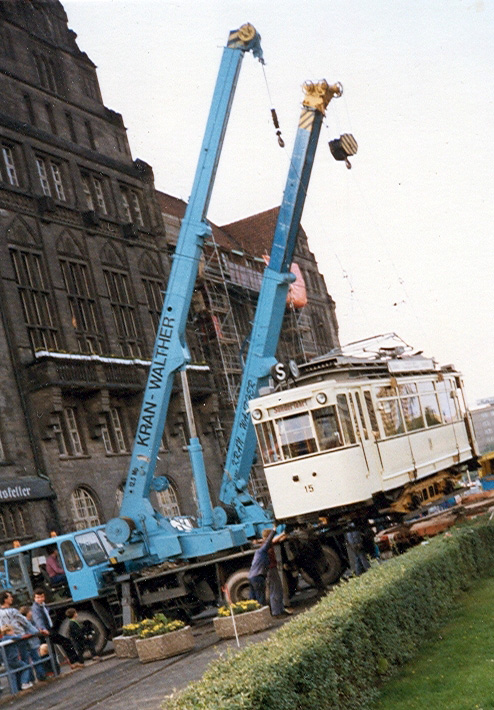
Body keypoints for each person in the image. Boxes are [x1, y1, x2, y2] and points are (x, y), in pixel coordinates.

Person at [30, 589, 82, 670]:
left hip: (49, 629)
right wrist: (43, 628)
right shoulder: (36, 608)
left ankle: (68, 664)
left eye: (42, 597)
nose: (40, 599)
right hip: (45, 631)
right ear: (34, 598)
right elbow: (38, 619)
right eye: (38, 597)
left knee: (55, 647)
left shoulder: (43, 605)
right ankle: (72, 663)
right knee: (61, 644)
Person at [0, 592, 33, 681]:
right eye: (10, 597)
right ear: (5, 599)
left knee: (13, 664)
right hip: (19, 637)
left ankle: (18, 685)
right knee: (24, 659)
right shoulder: (13, 611)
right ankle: (27, 681)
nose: (12, 598)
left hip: (5, 639)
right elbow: (25, 622)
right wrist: (36, 631)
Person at [248, 525, 277, 607]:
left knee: (252, 599)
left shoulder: (258, 551)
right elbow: (268, 541)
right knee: (261, 598)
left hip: (251, 577)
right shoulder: (263, 551)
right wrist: (274, 530)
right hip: (258, 577)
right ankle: (263, 614)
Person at [0, 625, 33, 692]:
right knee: (26, 667)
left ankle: (14, 691)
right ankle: (24, 683)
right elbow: (19, 637)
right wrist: (29, 635)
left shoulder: (2, 639)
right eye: (12, 630)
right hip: (13, 659)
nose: (13, 631)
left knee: (12, 676)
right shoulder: (9, 637)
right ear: (8, 631)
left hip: (7, 661)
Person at [18, 605, 46, 681]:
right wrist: (39, 631)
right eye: (30, 611)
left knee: (27, 661)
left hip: (26, 644)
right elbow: (34, 630)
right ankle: (41, 675)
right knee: (36, 659)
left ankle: (32, 678)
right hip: (31, 643)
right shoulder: (26, 621)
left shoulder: (22, 621)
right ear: (27, 613)